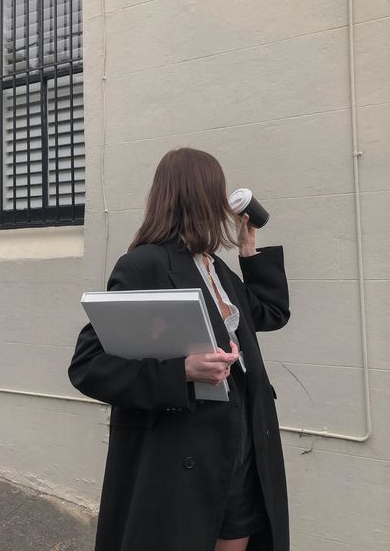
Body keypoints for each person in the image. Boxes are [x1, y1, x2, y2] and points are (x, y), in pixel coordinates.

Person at [68, 147, 291, 551]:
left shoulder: (215, 268)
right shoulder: (144, 266)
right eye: (216, 192)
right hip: (183, 452)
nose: (223, 204)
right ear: (199, 196)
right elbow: (87, 366)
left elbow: (272, 313)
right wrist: (182, 371)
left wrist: (248, 253)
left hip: (242, 446)